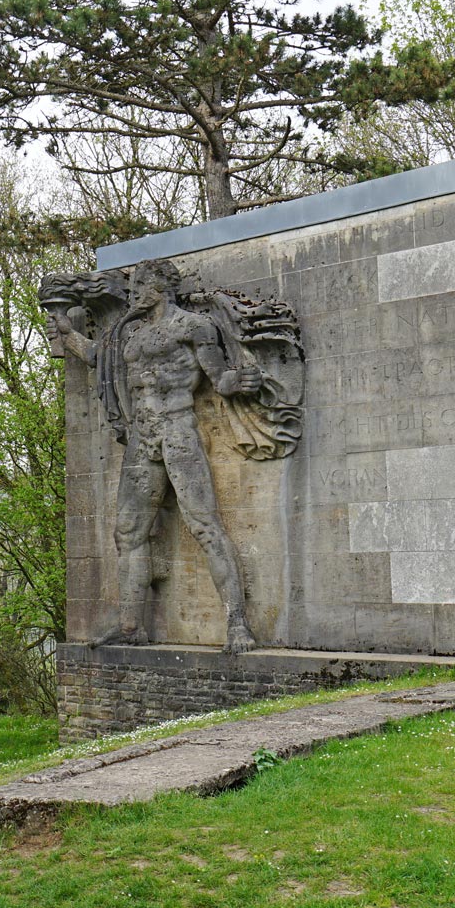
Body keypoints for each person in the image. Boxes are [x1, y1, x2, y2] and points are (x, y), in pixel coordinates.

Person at [47, 259, 263, 654]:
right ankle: (131, 626)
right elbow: (100, 359)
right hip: (141, 440)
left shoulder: (194, 327)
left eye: (141, 285)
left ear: (160, 286)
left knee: (204, 525)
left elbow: (220, 379)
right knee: (128, 534)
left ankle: (237, 625)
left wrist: (243, 380)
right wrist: (68, 334)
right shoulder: (130, 336)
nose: (134, 293)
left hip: (178, 432)